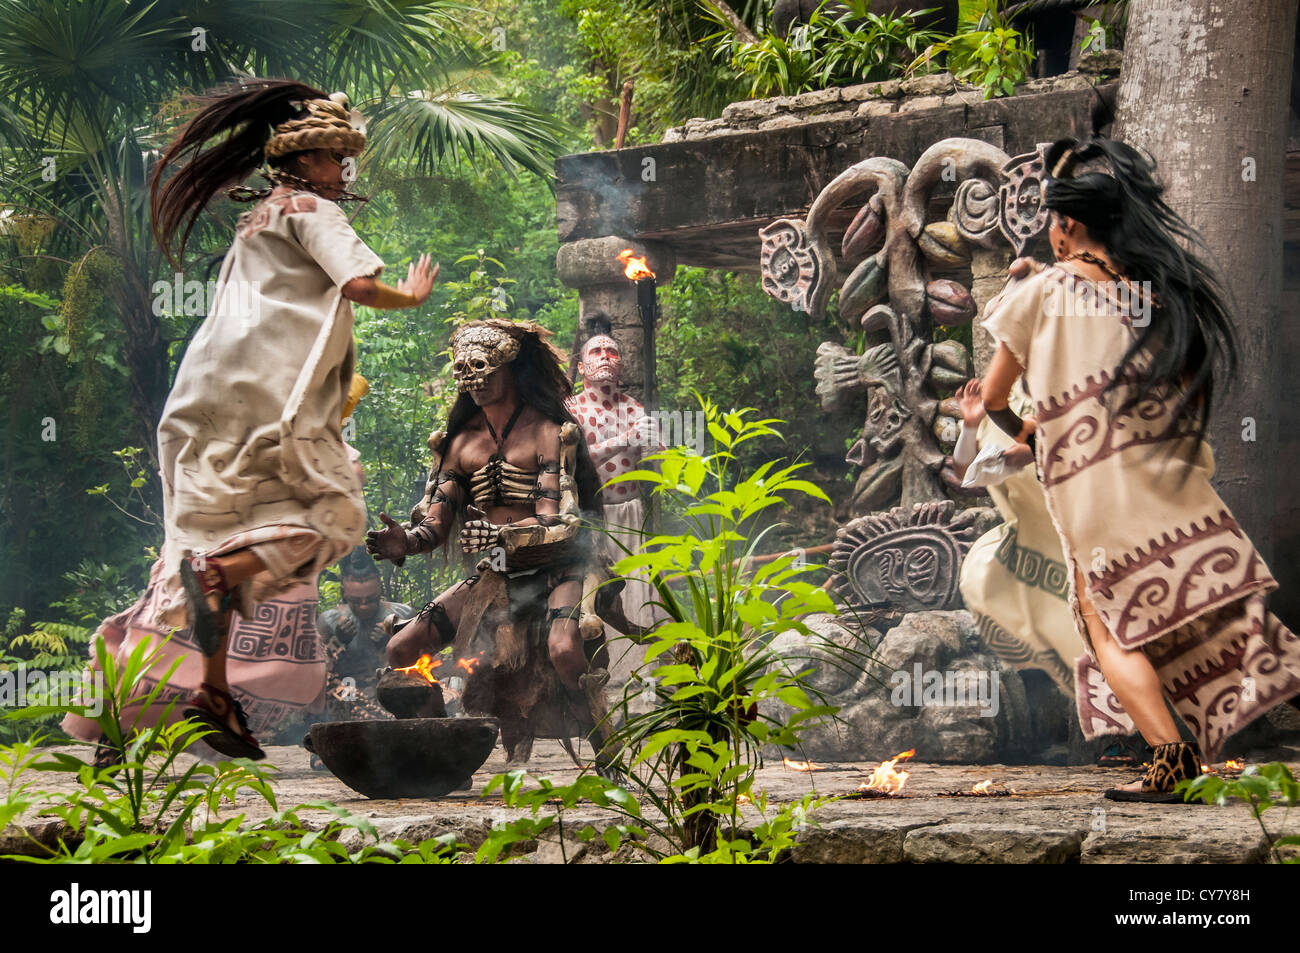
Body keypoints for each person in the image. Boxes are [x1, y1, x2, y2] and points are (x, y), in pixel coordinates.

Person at [66, 79, 437, 762]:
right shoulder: (311, 210)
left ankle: (209, 692)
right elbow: (356, 285)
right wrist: (408, 296)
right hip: (266, 403)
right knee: (336, 519)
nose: (342, 171)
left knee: (208, 562)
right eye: (335, 158)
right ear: (307, 159)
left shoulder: (256, 217)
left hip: (208, 401)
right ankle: (204, 619)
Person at [978, 136, 1300, 802]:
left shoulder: (1045, 290)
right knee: (1216, 605)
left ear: (1066, 224)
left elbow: (992, 399)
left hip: (1093, 494)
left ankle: (1170, 756)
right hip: (1162, 480)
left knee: (1106, 619)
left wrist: (1027, 439)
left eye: (1051, 219)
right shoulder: (1148, 294)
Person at [365, 319, 609, 753]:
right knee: (402, 649)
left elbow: (553, 519)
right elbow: (435, 525)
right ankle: (444, 752)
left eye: (482, 369)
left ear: (510, 369)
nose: (473, 381)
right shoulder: (459, 444)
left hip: (557, 567)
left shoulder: (548, 431)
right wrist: (405, 542)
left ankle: (604, 741)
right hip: (493, 574)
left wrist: (504, 532)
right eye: (463, 372)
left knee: (565, 649)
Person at [566, 315, 665, 697]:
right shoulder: (571, 408)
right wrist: (625, 439)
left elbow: (654, 458)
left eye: (612, 352)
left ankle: (644, 673)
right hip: (592, 516)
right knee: (596, 592)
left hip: (632, 511)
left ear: (621, 364)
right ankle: (599, 674)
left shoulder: (632, 406)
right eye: (596, 351)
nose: (605, 357)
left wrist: (656, 447)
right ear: (582, 366)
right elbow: (575, 461)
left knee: (639, 588)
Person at [316, 547, 413, 716]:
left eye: (370, 599)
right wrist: (338, 642)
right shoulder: (329, 621)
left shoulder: (404, 615)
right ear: (344, 593)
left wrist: (392, 643)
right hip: (348, 698)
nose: (363, 606)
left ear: (380, 589)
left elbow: (424, 666)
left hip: (394, 696)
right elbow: (319, 674)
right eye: (355, 601)